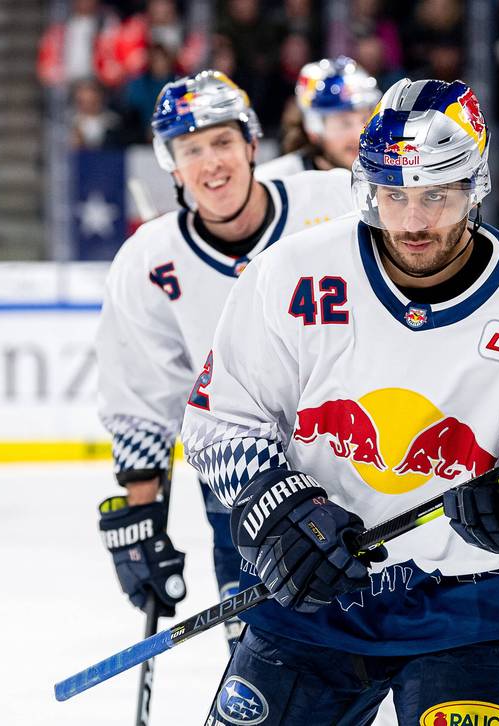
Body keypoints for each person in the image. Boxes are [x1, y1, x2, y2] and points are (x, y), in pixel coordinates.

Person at [182, 78, 499, 724]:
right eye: (394, 195)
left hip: (472, 608)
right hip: (313, 597)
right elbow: (220, 422)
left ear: (474, 186)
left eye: (436, 197)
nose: (413, 223)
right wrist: (280, 512)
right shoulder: (294, 275)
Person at [93, 70, 354, 651]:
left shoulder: (335, 201)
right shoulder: (148, 260)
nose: (211, 163)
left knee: (392, 650)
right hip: (244, 487)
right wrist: (142, 523)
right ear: (171, 166)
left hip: (364, 463)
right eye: (191, 149)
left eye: (222, 142)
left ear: (253, 146)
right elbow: (142, 402)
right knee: (269, 667)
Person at [255, 56, 381, 180]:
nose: (360, 135)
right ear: (314, 129)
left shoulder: (388, 174)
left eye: (366, 120)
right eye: (345, 123)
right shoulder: (277, 181)